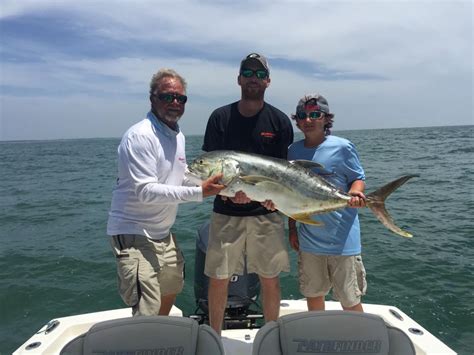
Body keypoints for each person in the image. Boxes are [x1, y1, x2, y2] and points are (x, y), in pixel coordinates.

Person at [107, 68, 225, 316]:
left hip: (163, 233)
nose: (174, 103)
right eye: (167, 96)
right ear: (153, 99)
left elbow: (179, 176)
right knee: (147, 307)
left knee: (172, 288)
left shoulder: (177, 134)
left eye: (180, 98)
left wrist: (220, 186)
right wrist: (200, 193)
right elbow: (145, 191)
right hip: (133, 232)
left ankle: (158, 338)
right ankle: (146, 340)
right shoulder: (140, 136)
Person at [202, 53, 294, 334]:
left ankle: (270, 337)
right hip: (226, 213)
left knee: (270, 278)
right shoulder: (220, 117)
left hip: (266, 212)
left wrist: (273, 199)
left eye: (258, 74)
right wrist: (228, 193)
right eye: (247, 72)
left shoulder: (279, 121)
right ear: (238, 78)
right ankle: (215, 338)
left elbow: (284, 175)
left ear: (267, 81)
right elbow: (209, 167)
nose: (253, 78)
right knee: (218, 278)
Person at [287, 93, 367, 312]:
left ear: (326, 118)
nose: (308, 120)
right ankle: (319, 339)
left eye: (315, 114)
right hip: (309, 239)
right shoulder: (292, 151)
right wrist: (292, 228)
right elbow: (291, 195)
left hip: (342, 239)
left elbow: (358, 178)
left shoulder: (342, 147)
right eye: (303, 115)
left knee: (350, 300)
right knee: (314, 295)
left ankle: (361, 343)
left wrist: (355, 193)